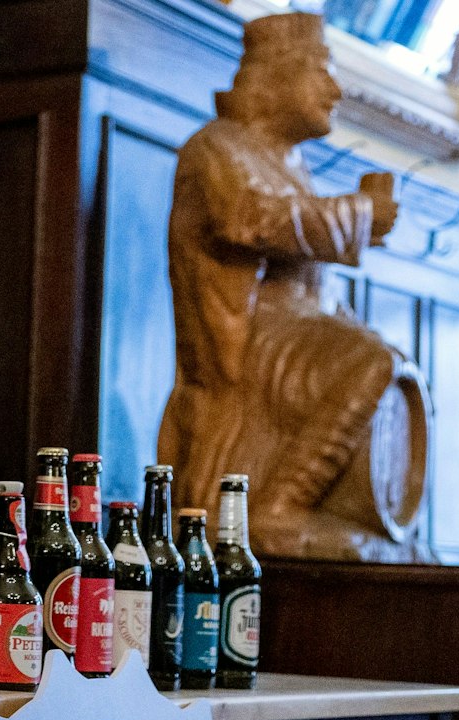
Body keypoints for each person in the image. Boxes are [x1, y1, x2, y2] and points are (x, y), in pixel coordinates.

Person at [157, 11, 405, 546]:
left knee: (389, 362)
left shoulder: (288, 164)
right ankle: (278, 504)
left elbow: (309, 277)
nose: (335, 90)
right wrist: (359, 213)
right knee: (367, 360)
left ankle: (344, 512)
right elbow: (251, 218)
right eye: (321, 70)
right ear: (275, 76)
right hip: (246, 346)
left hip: (288, 335)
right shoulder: (217, 147)